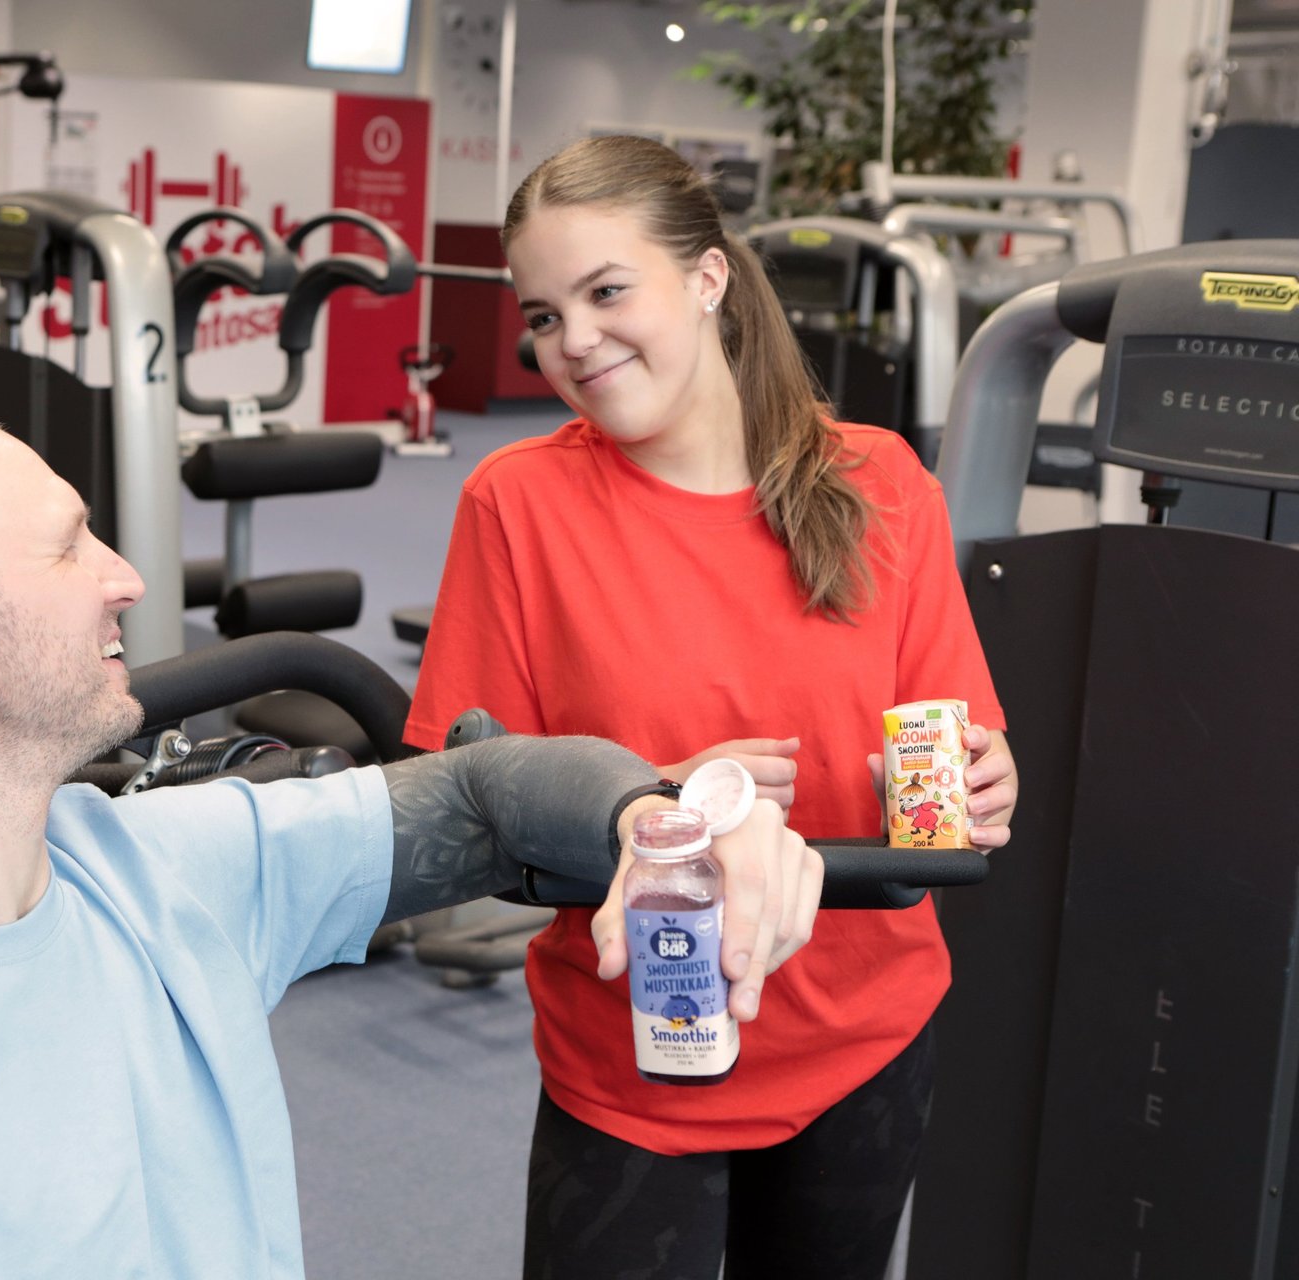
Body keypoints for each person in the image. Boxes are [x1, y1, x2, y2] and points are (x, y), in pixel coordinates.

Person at [0, 411, 823, 1280]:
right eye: (70, 545)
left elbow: (482, 794)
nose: (127, 575)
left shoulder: (155, 864)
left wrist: (665, 825)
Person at [405, 135, 1021, 1280]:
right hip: (641, 1055)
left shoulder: (881, 483)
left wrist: (987, 778)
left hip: (865, 1035)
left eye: (605, 291)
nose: (571, 341)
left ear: (707, 278)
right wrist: (653, 801)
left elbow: (956, 744)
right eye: (542, 315)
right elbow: (469, 811)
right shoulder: (519, 502)